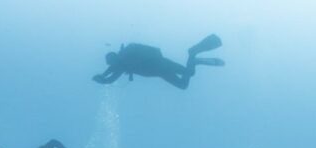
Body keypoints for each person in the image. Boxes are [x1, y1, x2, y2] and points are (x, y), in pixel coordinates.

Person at [92, 34, 224, 90]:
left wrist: (102, 79)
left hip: (161, 66)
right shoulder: (122, 62)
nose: (112, 66)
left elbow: (111, 77)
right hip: (161, 68)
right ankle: (194, 58)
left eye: (111, 63)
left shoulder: (123, 62)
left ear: (114, 59)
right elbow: (111, 73)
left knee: (186, 78)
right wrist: (103, 77)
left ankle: (193, 54)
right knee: (185, 82)